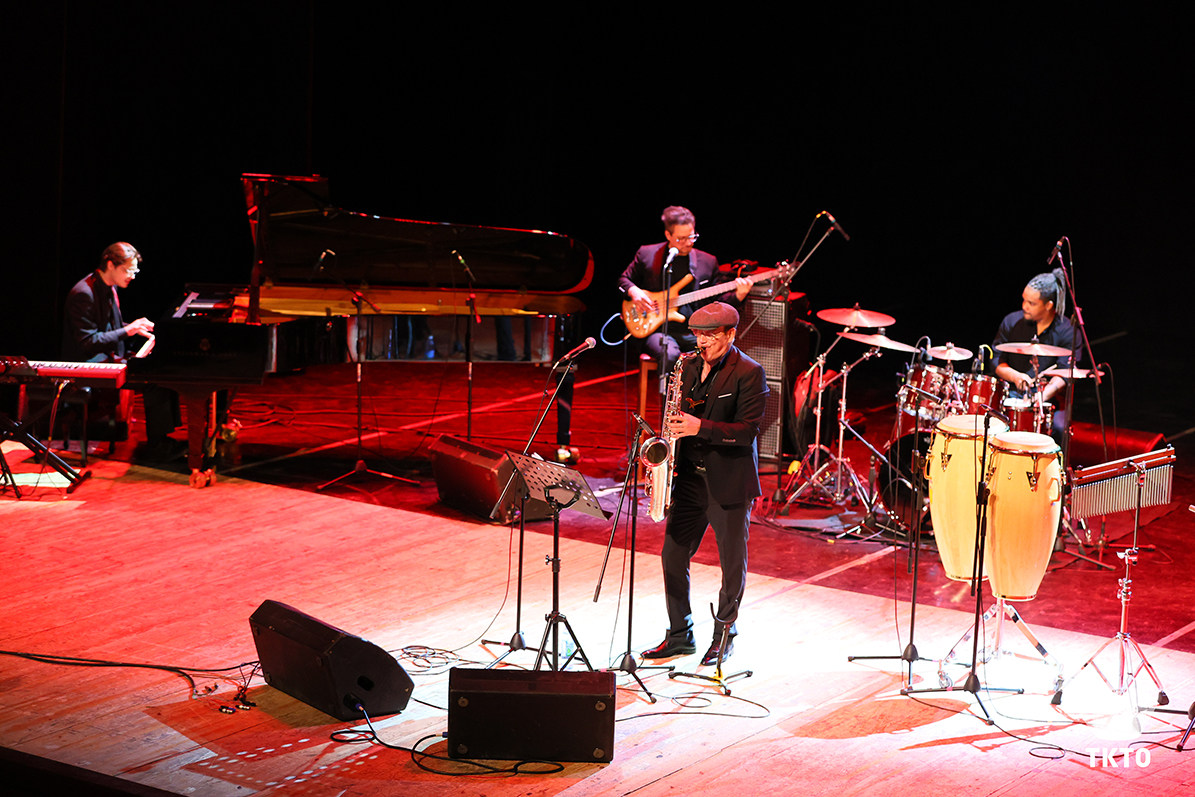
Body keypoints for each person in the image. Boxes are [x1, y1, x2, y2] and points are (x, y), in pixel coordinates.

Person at [641, 302, 769, 667]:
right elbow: (675, 417)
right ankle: (680, 636)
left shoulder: (750, 372)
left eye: (710, 336)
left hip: (727, 483)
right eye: (698, 335)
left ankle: (724, 636)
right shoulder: (687, 366)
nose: (702, 343)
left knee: (732, 565)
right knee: (672, 555)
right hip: (688, 481)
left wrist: (701, 427)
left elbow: (747, 431)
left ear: (730, 334)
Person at [62, 242, 183, 461]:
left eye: (135, 271)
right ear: (110, 265)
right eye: (128, 270)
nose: (132, 276)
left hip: (107, 358)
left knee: (164, 371)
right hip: (89, 364)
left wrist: (137, 328)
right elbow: (88, 341)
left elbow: (108, 328)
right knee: (153, 380)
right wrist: (128, 330)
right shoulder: (84, 293)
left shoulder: (109, 286)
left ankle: (164, 439)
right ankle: (157, 446)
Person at [618, 206, 751, 388]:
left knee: (721, 354)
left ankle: (702, 402)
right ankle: (669, 403)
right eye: (681, 238)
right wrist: (634, 291)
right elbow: (623, 280)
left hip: (693, 331)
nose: (688, 243)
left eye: (692, 237)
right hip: (656, 330)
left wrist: (738, 296)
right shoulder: (647, 254)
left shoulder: (707, 262)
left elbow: (718, 304)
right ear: (668, 235)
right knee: (670, 354)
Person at [991, 267, 1078, 445]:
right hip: (1011, 392)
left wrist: (1041, 396)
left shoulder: (1067, 330)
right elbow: (996, 360)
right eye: (1024, 300)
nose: (1024, 306)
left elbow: (1065, 372)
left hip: (1050, 398)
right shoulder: (1011, 321)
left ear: (1048, 305)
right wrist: (1015, 376)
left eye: (1031, 303)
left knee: (1059, 429)